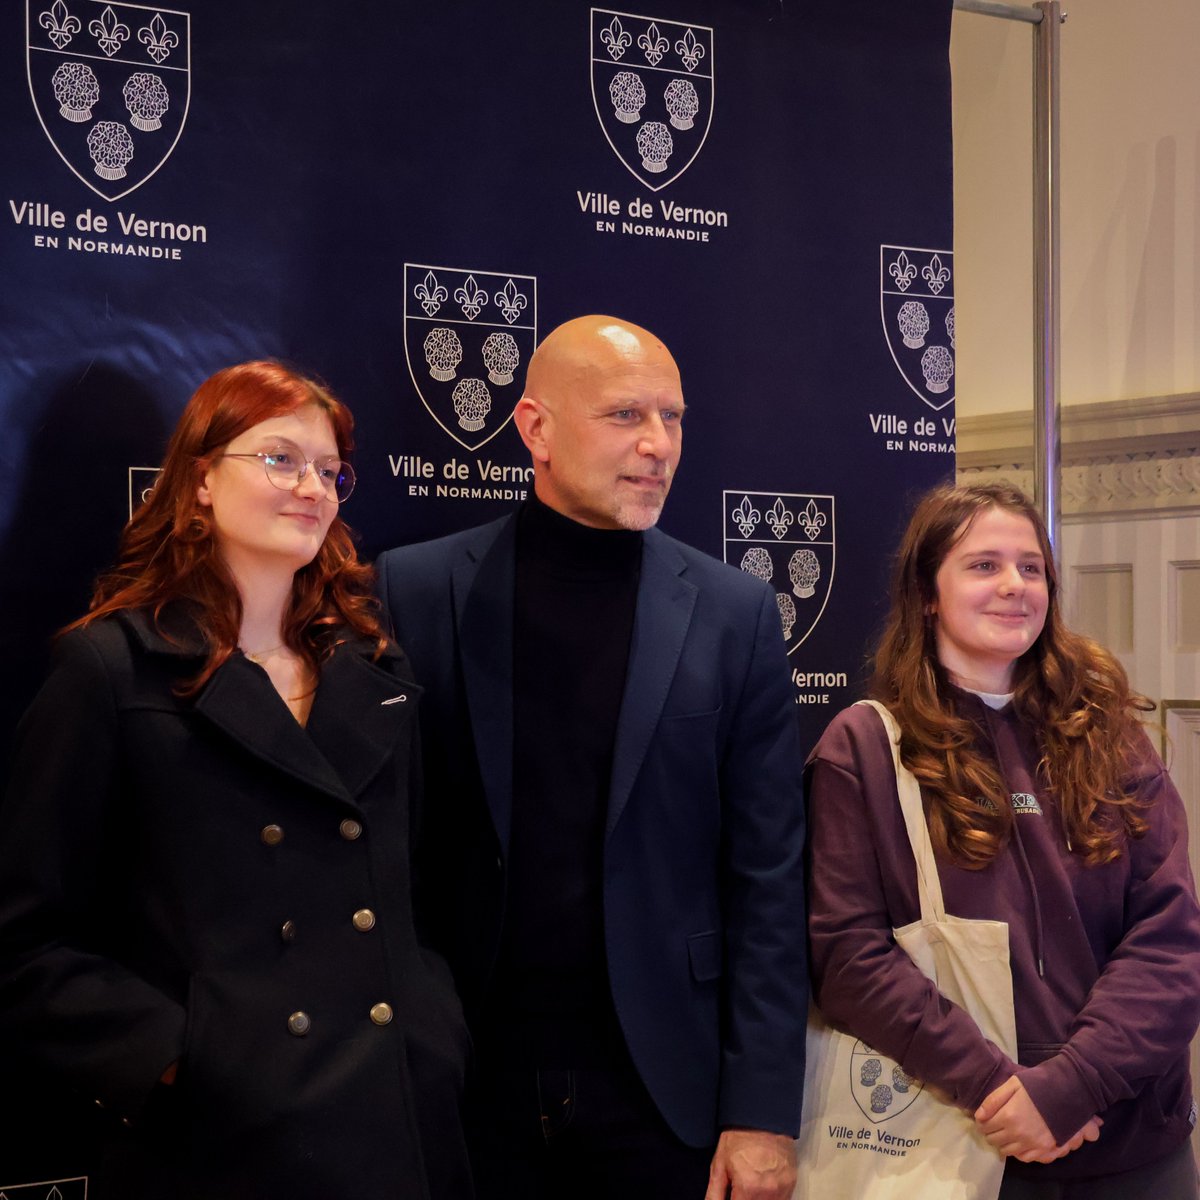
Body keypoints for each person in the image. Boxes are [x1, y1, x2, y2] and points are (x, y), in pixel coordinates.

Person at [0, 362, 472, 1199]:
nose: (313, 488)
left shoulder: (378, 668)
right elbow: (25, 939)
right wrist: (184, 1058)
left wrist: (434, 1025)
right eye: (280, 458)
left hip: (399, 1125)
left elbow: (426, 891)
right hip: (222, 1144)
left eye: (330, 471)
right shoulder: (111, 670)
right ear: (200, 481)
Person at [375, 315, 806, 1200]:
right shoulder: (413, 590)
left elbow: (767, 875)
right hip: (466, 1080)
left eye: (674, 418)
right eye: (625, 417)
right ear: (535, 428)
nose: (659, 446)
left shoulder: (735, 613)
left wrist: (761, 1110)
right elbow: (383, 848)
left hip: (663, 1091)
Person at [806, 480, 1200, 1198]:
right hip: (964, 1139)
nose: (1014, 585)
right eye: (984, 565)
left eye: (1031, 567)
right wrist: (997, 1088)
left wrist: (1073, 1085)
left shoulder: (1106, 730)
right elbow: (849, 959)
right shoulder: (863, 748)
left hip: (1132, 1138)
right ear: (927, 592)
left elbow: (1169, 937)